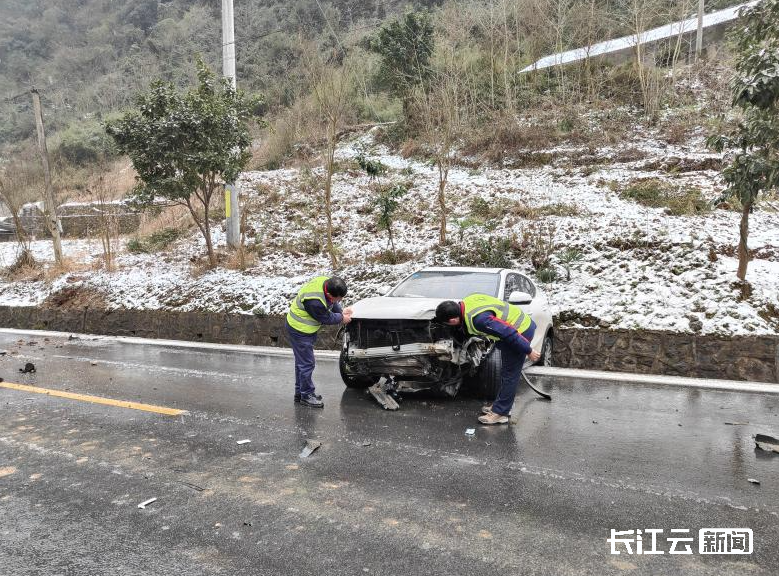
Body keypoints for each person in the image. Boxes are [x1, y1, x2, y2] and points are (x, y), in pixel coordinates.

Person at [434, 293, 540, 425]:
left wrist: (528, 350)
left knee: (510, 375)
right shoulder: (467, 302)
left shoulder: (479, 320)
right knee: (506, 372)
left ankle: (501, 413)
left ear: (453, 321)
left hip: (520, 332)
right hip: (515, 328)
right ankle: (501, 405)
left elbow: (508, 331)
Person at [286, 275, 352, 408]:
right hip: (299, 330)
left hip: (304, 329)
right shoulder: (314, 301)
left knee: (302, 363)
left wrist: (341, 312)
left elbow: (332, 303)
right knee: (307, 363)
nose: (339, 300)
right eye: (338, 298)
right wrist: (342, 318)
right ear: (328, 293)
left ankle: (300, 393)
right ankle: (306, 395)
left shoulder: (326, 282)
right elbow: (326, 317)